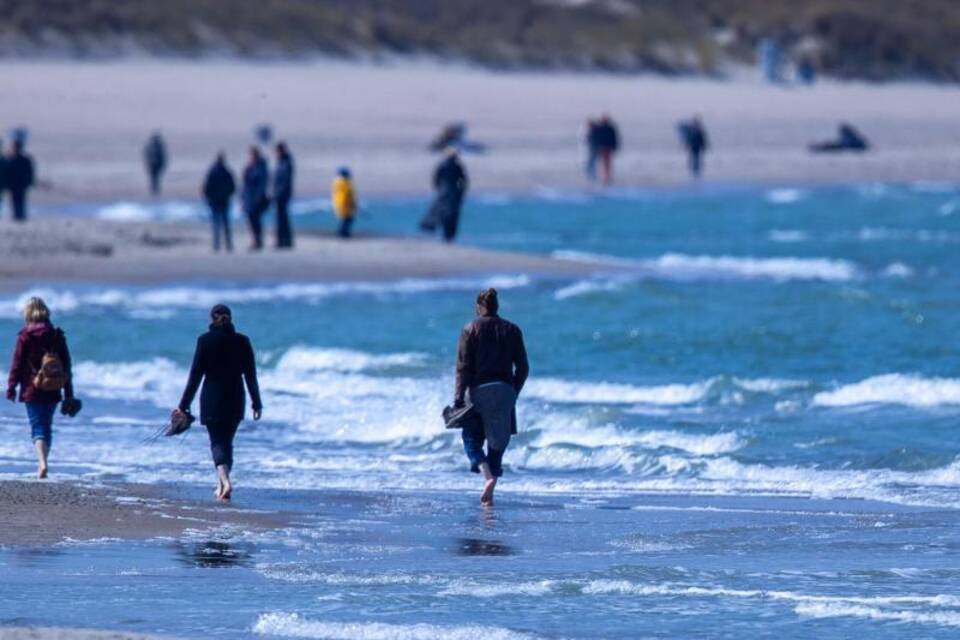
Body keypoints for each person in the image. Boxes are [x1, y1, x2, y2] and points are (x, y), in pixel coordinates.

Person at [174, 304, 262, 502]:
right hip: (235, 397)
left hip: (212, 398)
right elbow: (250, 376)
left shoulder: (205, 341)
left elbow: (195, 375)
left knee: (216, 440)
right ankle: (221, 484)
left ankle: (224, 480)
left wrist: (184, 404)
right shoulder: (242, 341)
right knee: (227, 441)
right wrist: (257, 403)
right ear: (230, 318)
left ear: (211, 318)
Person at [454, 288, 529, 506]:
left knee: (471, 438)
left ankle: (486, 476)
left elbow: (463, 368)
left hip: (479, 391)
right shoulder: (512, 329)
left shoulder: (470, 328)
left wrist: (458, 397)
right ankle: (489, 495)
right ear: (497, 306)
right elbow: (523, 367)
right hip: (505, 390)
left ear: (479, 307)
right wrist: (513, 391)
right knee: (498, 442)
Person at [6, 297, 76, 479]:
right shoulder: (56, 336)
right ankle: (43, 461)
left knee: (37, 426)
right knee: (46, 426)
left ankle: (42, 462)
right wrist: (69, 393)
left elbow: (16, 364)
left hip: (31, 388)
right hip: (53, 387)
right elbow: (66, 367)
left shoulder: (24, 337)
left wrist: (11, 387)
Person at [420, 147, 469, 242]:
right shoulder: (457, 166)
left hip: (443, 191)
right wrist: (461, 192)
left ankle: (433, 228)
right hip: (452, 192)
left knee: (439, 210)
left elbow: (436, 179)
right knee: (451, 213)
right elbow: (464, 180)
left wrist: (438, 189)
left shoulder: (442, 165)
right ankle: (448, 234)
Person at [202, 153, 236, 252]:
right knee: (225, 224)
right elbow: (232, 187)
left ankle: (217, 244)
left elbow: (206, 187)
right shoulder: (226, 172)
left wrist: (209, 198)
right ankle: (227, 244)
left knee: (216, 224)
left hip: (216, 202)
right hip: (222, 201)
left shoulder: (213, 172)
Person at [241, 146, 269, 250]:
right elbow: (244, 184)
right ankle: (255, 240)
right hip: (248, 198)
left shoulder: (261, 167)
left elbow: (262, 184)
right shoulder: (249, 167)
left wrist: (258, 198)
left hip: (256, 199)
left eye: (252, 155)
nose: (250, 157)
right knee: (251, 221)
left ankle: (258, 241)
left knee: (256, 221)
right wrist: (242, 198)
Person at [6, 139, 35, 222]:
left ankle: (20, 216)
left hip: (20, 184)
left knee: (20, 200)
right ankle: (18, 216)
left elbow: (29, 172)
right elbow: (7, 173)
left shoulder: (22, 160)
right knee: (16, 201)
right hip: (16, 185)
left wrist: (29, 181)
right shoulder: (13, 159)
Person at [273, 142, 295, 249]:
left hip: (283, 194)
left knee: (282, 218)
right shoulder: (281, 162)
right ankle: (282, 240)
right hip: (279, 193)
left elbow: (285, 181)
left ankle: (284, 240)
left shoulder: (286, 163)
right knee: (280, 218)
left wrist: (279, 192)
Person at [331, 167, 357, 238]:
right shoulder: (344, 184)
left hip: (341, 205)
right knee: (347, 220)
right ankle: (343, 233)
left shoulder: (338, 183)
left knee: (345, 220)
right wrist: (352, 204)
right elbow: (346, 196)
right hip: (345, 205)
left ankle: (342, 233)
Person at [594, 115, 619, 185]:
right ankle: (603, 176)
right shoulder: (600, 128)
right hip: (602, 147)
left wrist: (614, 146)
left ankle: (607, 177)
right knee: (602, 162)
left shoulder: (610, 128)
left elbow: (614, 138)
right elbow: (597, 138)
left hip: (608, 147)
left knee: (608, 163)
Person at [143, 132, 167, 196]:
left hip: (157, 164)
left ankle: (155, 189)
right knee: (153, 178)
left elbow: (163, 156)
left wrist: (162, 164)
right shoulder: (151, 146)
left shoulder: (159, 146)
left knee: (156, 177)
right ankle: (153, 189)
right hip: (152, 164)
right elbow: (146, 155)